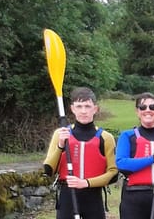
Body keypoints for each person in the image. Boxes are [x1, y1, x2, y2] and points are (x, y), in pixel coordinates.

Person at [42, 87, 118, 219]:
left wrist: (86, 183)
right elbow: (49, 169)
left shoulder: (106, 138)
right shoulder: (61, 134)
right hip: (68, 195)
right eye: (79, 106)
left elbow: (113, 174)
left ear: (95, 109)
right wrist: (60, 145)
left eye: (88, 106)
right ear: (72, 109)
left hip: (93, 196)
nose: (84, 111)